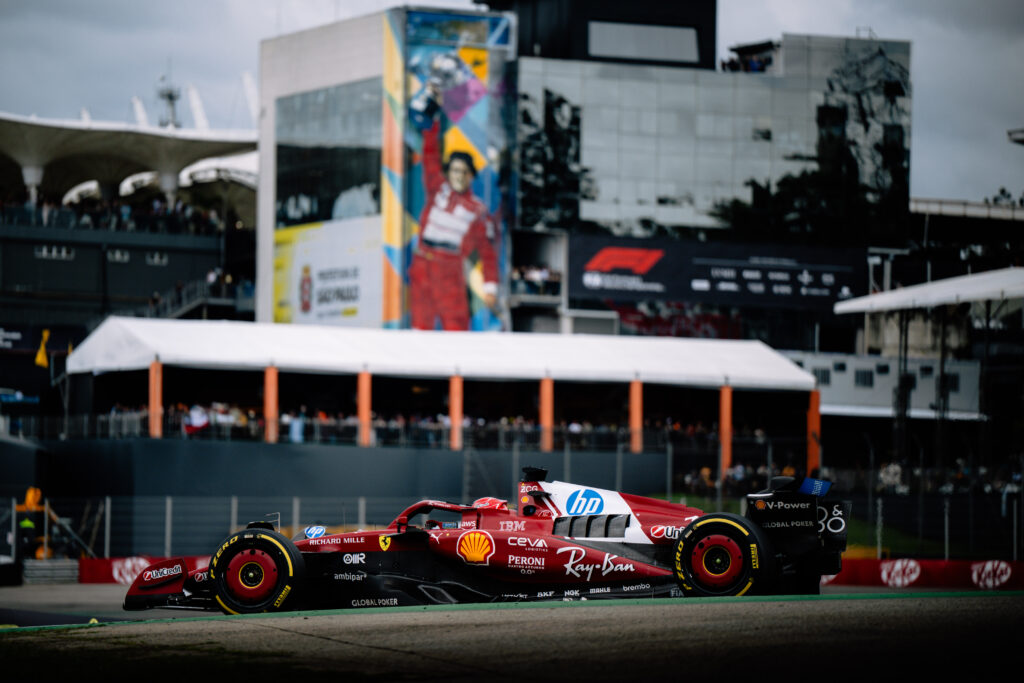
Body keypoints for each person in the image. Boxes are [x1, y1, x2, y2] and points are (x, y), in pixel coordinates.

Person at [408, 87, 498, 330]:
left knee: (456, 327)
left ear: (471, 176)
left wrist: (490, 287)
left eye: (464, 172)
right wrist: (433, 120)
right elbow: (430, 155)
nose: (459, 176)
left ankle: (457, 367)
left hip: (449, 269)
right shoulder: (438, 188)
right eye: (455, 171)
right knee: (419, 328)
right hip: (423, 263)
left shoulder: (476, 209)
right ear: (448, 173)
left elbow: (487, 251)